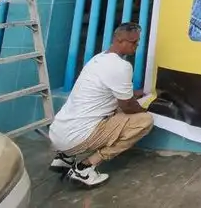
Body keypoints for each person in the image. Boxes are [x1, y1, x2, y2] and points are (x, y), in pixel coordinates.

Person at [48, 23, 153, 188]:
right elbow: (127, 106)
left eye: (137, 42)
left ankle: (65, 158)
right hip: (77, 138)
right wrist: (145, 107)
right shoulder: (122, 66)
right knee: (144, 121)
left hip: (58, 133)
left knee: (111, 110)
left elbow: (113, 92)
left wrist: (135, 94)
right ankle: (85, 167)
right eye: (134, 42)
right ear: (119, 40)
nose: (137, 46)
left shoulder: (98, 59)